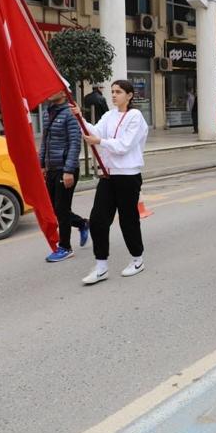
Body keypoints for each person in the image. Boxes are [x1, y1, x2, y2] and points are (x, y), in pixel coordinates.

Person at [73, 80, 150, 285]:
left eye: (119, 92)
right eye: (112, 91)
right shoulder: (108, 115)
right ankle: (101, 266)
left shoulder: (135, 117)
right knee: (98, 220)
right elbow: (94, 132)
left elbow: (124, 145)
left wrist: (100, 142)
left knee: (128, 220)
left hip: (128, 176)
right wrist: (80, 117)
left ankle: (137, 259)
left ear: (130, 95)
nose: (114, 95)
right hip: (108, 176)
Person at [40, 90, 90, 262]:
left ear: (62, 92)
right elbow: (44, 141)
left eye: (52, 89)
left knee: (61, 209)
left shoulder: (70, 114)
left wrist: (68, 170)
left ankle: (65, 247)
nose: (48, 93)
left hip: (66, 169)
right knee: (55, 208)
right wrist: (42, 165)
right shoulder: (48, 112)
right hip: (52, 168)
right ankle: (82, 223)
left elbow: (75, 143)